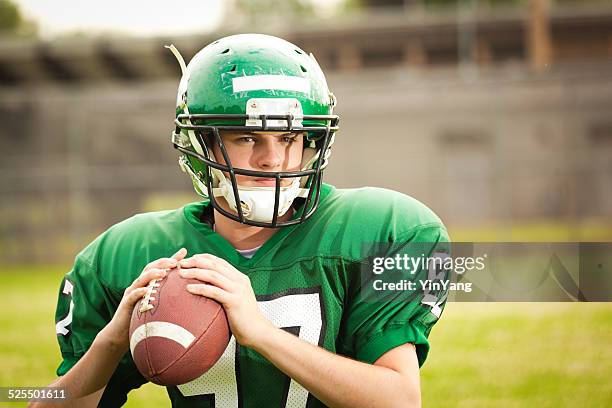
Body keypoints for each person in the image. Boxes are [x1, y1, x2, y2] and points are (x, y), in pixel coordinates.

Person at [33, 34, 450, 407]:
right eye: (247, 137)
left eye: (289, 138)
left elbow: (398, 399)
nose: (273, 158)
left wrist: (262, 333)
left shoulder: (385, 230)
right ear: (203, 143)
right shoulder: (127, 255)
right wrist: (110, 342)